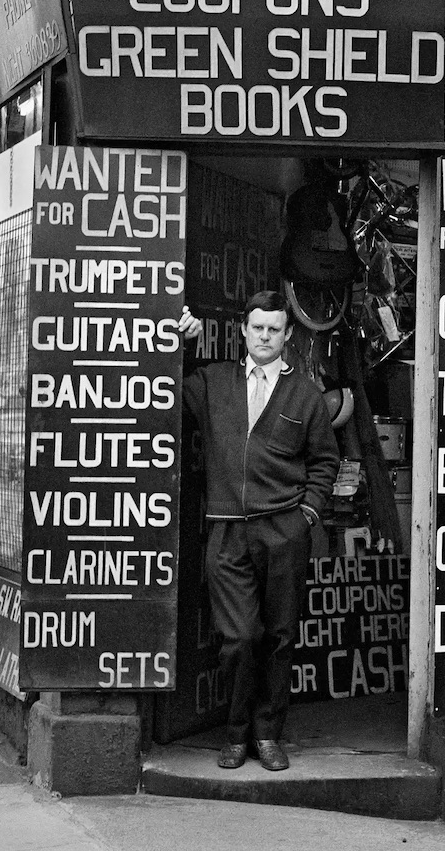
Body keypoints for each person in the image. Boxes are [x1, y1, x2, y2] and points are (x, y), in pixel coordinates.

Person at [177, 291, 339, 771]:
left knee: (279, 637)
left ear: (288, 335)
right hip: (226, 531)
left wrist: (305, 515)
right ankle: (235, 733)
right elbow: (164, 385)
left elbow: (326, 463)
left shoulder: (305, 394)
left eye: (274, 329)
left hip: (282, 531)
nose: (265, 336)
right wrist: (184, 345)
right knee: (240, 637)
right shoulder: (214, 382)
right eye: (257, 327)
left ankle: (267, 735)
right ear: (243, 331)